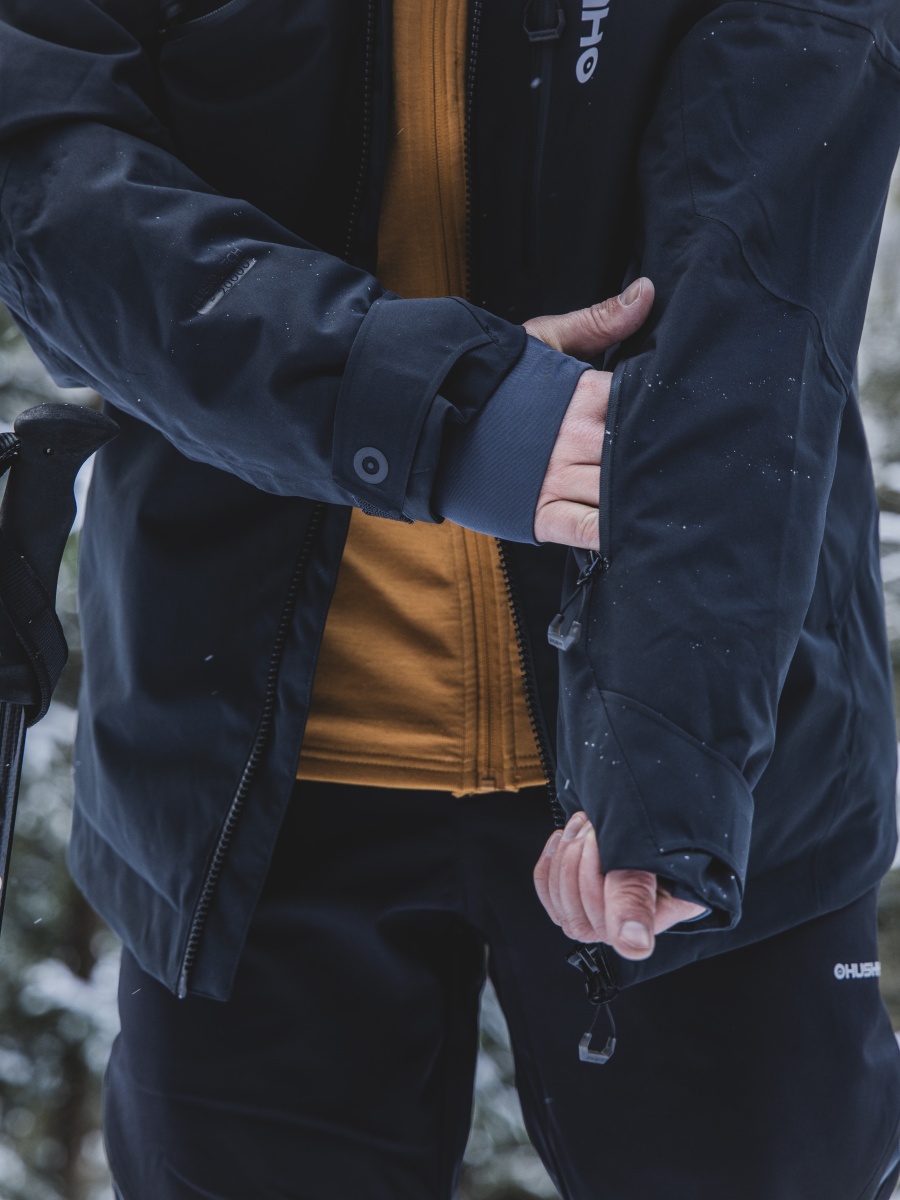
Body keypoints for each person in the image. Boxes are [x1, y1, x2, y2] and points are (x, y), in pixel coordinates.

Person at [1, 0, 900, 1196]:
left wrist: (672, 756)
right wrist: (424, 409)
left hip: (716, 752)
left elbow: (759, 280)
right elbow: (46, 170)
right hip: (239, 790)